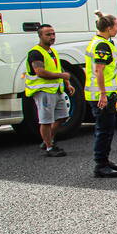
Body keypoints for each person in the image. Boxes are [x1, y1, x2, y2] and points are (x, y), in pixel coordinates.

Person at [25, 24, 76, 157]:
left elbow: (58, 68)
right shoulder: (35, 53)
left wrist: (67, 83)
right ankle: (49, 147)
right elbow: (40, 72)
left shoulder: (52, 51)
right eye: (48, 34)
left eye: (53, 34)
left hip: (56, 90)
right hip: (43, 91)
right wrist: (62, 76)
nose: (52, 37)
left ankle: (47, 140)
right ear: (40, 36)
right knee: (46, 121)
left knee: (63, 116)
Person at [84, 12, 117, 178]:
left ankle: (105, 161)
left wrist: (102, 16)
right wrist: (103, 94)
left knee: (107, 129)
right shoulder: (101, 45)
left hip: (105, 94)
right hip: (102, 95)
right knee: (104, 131)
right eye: (116, 26)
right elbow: (98, 70)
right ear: (108, 28)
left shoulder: (101, 41)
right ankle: (100, 165)